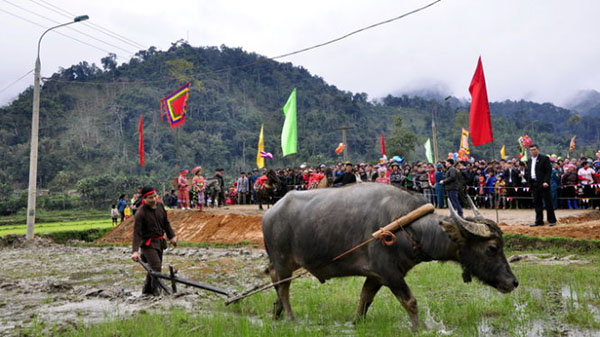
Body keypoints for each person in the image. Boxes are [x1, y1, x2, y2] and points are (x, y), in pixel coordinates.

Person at [131, 186, 177, 296]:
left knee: (152, 269)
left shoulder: (160, 206)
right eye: (150, 198)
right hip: (148, 245)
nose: (154, 199)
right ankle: (157, 294)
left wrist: (172, 237)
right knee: (156, 267)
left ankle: (146, 292)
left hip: (159, 242)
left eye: (155, 196)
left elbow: (166, 223)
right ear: (144, 199)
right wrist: (135, 251)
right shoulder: (140, 213)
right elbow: (137, 233)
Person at [526, 144, 557, 226]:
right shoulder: (529, 160)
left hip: (543, 183)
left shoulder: (544, 158)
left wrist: (546, 181)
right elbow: (529, 172)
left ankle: (552, 220)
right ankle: (539, 221)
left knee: (548, 202)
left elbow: (548, 171)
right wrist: (529, 183)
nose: (533, 151)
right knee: (537, 203)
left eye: (534, 149)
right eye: (531, 150)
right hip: (534, 183)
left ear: (538, 150)